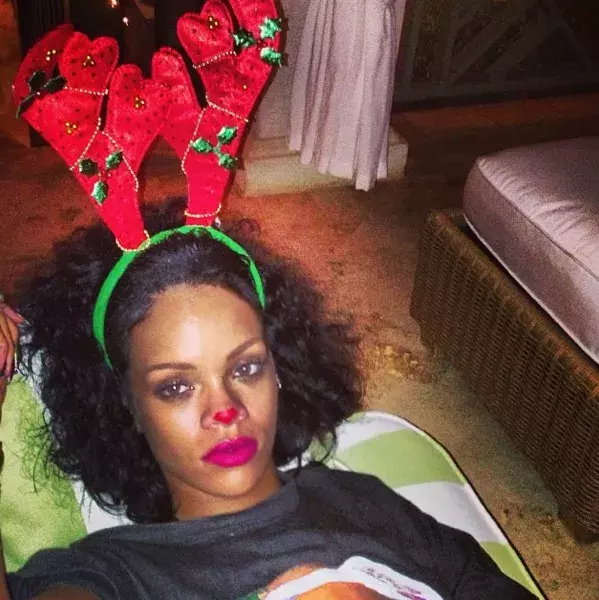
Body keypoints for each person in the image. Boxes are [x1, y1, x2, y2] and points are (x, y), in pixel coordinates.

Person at [0, 200, 537, 600]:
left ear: (278, 371)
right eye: (177, 386)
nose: (225, 410)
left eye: (246, 367)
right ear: (128, 407)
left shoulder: (361, 498)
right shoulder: (115, 573)